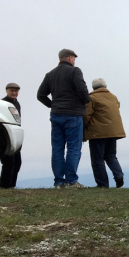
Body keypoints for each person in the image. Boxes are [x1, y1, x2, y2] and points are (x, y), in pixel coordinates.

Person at [37, 48, 91, 189]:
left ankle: (59, 182)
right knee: (73, 147)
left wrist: (53, 105)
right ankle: (71, 181)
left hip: (56, 115)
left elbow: (40, 95)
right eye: (74, 58)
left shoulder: (50, 74)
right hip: (73, 114)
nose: (74, 61)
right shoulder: (75, 71)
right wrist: (86, 101)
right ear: (68, 58)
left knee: (57, 148)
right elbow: (81, 89)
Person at [84, 78, 126, 188]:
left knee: (97, 159)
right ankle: (119, 175)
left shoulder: (91, 98)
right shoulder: (114, 97)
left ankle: (102, 184)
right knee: (111, 156)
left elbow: (86, 116)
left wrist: (82, 130)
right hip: (113, 132)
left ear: (93, 88)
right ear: (105, 87)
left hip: (97, 133)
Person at [0, 82, 22, 188]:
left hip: (15, 136)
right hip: (4, 137)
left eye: (16, 91)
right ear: (6, 91)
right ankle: (4, 186)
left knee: (17, 162)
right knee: (8, 162)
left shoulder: (17, 104)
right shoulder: (2, 103)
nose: (14, 93)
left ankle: (11, 185)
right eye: (12, 90)